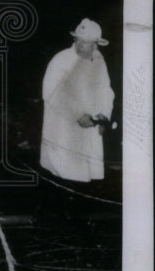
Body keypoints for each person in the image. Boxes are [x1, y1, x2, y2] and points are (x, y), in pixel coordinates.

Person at [40, 18, 114, 182]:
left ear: (96, 44)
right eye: (77, 40)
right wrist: (77, 114)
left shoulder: (99, 61)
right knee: (63, 174)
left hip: (89, 129)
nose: (79, 45)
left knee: (85, 177)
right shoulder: (61, 60)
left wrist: (103, 116)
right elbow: (51, 93)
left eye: (85, 42)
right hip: (64, 130)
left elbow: (105, 90)